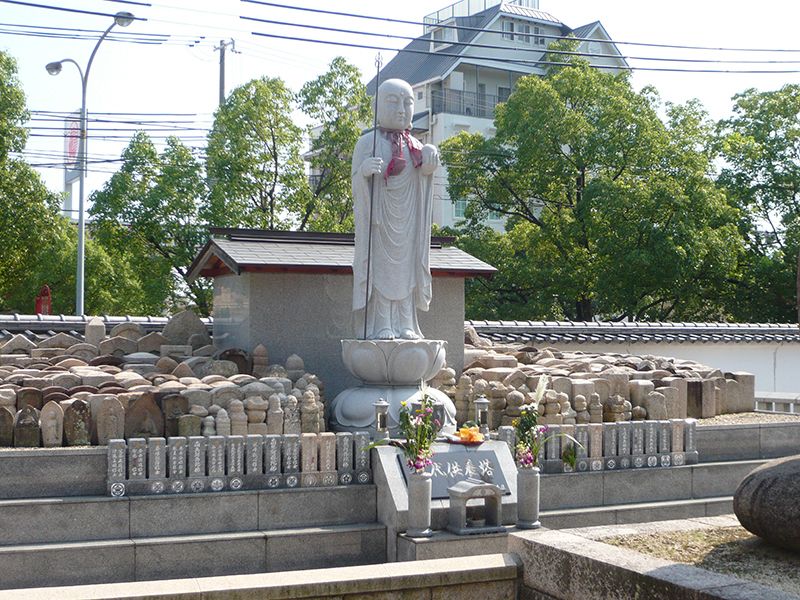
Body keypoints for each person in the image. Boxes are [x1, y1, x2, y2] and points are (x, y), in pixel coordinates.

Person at [351, 78, 439, 340]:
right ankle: (381, 324)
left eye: (407, 102)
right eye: (393, 102)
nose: (401, 109)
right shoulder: (367, 143)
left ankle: (406, 323)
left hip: (409, 223)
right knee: (380, 270)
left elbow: (424, 171)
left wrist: (430, 160)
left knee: (407, 271)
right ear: (377, 107)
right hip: (379, 222)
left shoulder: (415, 146)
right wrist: (363, 173)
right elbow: (356, 183)